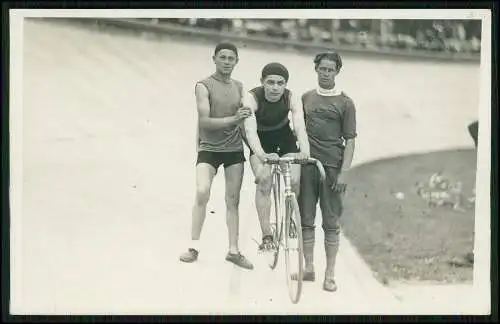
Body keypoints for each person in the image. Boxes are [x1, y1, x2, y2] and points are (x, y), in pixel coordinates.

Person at [179, 42, 254, 270]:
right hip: (209, 148)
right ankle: (193, 246)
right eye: (223, 57)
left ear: (236, 62)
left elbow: (246, 119)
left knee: (233, 201)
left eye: (231, 58)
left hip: (233, 150)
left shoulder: (240, 87)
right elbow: (205, 121)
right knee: (202, 191)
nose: (227, 62)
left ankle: (233, 250)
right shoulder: (203, 85)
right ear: (214, 59)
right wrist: (234, 119)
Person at [298, 51, 357, 292]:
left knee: (331, 222)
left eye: (330, 69)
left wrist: (344, 173)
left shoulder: (345, 103)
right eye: (322, 68)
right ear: (316, 69)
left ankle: (330, 273)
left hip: (332, 168)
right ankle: (309, 267)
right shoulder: (305, 98)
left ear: (337, 72)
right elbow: (298, 131)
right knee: (306, 219)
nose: (325, 73)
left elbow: (350, 140)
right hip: (308, 166)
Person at [242, 62, 311, 251]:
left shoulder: (291, 97)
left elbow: (299, 127)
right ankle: (266, 235)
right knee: (264, 181)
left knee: (295, 180)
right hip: (260, 142)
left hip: (284, 138)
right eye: (270, 82)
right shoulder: (251, 98)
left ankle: (290, 219)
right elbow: (250, 132)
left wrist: (305, 151)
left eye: (280, 83)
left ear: (285, 84)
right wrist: (263, 155)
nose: (275, 87)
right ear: (262, 82)